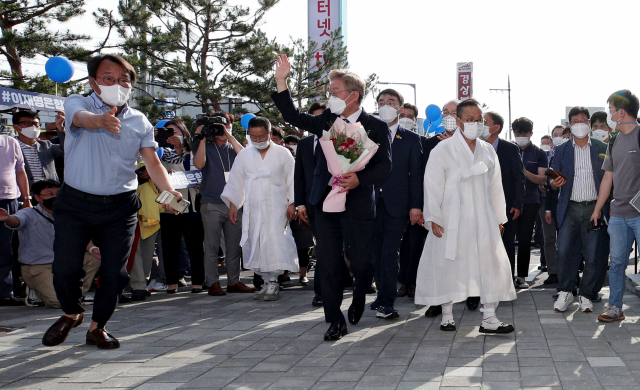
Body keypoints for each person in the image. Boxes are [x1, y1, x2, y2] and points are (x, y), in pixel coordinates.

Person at [42, 54, 182, 349]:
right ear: (93, 82)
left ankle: (97, 327)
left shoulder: (139, 121)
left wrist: (169, 193)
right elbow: (80, 119)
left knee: (115, 275)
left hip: (120, 206)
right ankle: (72, 312)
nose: (117, 84)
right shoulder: (76, 102)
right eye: (108, 78)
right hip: (76, 203)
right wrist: (101, 121)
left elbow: (153, 163)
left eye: (124, 80)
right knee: (65, 269)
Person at [272, 54, 392, 341]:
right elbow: (292, 116)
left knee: (361, 261)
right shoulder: (327, 120)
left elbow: (385, 166)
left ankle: (361, 294)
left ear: (353, 95)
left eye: (335, 91)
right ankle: (334, 319)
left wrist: (359, 178)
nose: (330, 96)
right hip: (325, 202)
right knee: (327, 261)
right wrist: (281, 80)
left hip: (359, 202)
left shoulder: (376, 126)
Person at [415, 98, 516, 333]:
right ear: (458, 121)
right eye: (470, 119)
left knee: (491, 262)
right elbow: (432, 184)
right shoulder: (443, 148)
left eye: (478, 120)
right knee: (447, 262)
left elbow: (495, 186)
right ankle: (447, 314)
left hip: (483, 215)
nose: (475, 123)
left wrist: (499, 218)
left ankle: (489, 316)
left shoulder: (488, 150)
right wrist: (433, 217)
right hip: (451, 215)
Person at [220, 116, 298, 301]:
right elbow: (236, 181)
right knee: (256, 241)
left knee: (274, 240)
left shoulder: (283, 153)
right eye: (254, 137)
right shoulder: (245, 154)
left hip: (276, 205)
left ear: (270, 134)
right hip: (253, 206)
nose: (258, 140)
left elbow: (293, 179)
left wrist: (292, 203)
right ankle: (265, 280)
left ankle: (273, 281)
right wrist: (233, 204)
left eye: (261, 136)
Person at [1, 179, 100, 308]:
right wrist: (8, 218)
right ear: (37, 197)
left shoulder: (68, 214)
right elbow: (17, 221)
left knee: (94, 257)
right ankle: (34, 289)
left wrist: (92, 249)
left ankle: (80, 292)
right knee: (60, 302)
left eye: (58, 193)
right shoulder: (29, 213)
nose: (55, 197)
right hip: (39, 267)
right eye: (49, 194)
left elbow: (80, 236)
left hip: (63, 263)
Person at [550, 106, 609, 313]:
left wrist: (602, 208)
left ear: (590, 124)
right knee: (564, 251)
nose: (580, 124)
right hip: (570, 209)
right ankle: (566, 291)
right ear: (570, 125)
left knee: (593, 254)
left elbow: (609, 179)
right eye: (575, 121)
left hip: (595, 208)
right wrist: (554, 184)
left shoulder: (602, 147)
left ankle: (586, 294)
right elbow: (552, 180)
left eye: (584, 120)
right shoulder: (561, 150)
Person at [369, 89, 422, 319]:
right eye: (381, 102)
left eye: (391, 102)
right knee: (375, 253)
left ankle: (387, 301)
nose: (385, 105)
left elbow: (416, 175)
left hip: (397, 205)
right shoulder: (365, 134)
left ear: (400, 109)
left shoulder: (410, 139)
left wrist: (416, 206)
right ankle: (381, 295)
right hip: (369, 203)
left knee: (390, 252)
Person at [592, 90, 640, 323]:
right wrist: (598, 208)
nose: (610, 114)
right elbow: (607, 178)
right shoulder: (614, 140)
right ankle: (615, 308)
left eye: (611, 110)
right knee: (618, 262)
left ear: (621, 112)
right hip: (619, 214)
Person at [194, 113, 254, 296]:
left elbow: (246, 159)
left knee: (234, 246)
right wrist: (203, 138)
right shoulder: (206, 146)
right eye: (217, 125)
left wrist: (229, 136)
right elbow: (198, 164)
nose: (221, 128)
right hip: (211, 202)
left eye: (225, 124)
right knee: (211, 245)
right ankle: (212, 282)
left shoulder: (234, 146)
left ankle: (234, 281)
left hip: (235, 203)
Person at [421, 99, 465, 318]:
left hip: (467, 210)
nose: (449, 116)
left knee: (467, 256)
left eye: (453, 112)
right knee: (439, 258)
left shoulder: (474, 144)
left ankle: (472, 295)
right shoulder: (430, 144)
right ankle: (438, 301)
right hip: (441, 210)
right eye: (445, 112)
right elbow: (426, 180)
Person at [482, 111, 526, 289]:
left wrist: (517, 204)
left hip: (506, 207)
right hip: (479, 205)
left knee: (506, 245)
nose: (480, 125)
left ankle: (505, 283)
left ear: (496, 127)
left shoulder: (510, 149)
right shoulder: (474, 147)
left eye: (485, 122)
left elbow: (519, 177)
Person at [513, 117, 548, 288]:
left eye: (524, 133)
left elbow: (542, 179)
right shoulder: (508, 150)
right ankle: (506, 276)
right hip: (509, 201)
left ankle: (521, 277)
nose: (520, 136)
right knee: (506, 240)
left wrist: (524, 172)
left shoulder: (539, 153)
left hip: (530, 202)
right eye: (517, 132)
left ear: (531, 133)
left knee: (525, 240)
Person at [397, 102, 425, 298]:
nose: (406, 118)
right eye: (403, 115)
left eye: (410, 116)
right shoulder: (390, 140)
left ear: (415, 120)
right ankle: (402, 282)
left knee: (415, 246)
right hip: (396, 202)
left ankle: (414, 282)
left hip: (418, 203)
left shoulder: (422, 141)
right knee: (400, 247)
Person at [0, 134, 31, 306]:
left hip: (8, 200)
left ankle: (5, 292)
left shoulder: (10, 142)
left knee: (6, 248)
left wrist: (26, 199)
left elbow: (20, 171)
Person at [12, 110, 65, 186]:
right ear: (16, 127)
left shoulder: (46, 145)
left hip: (49, 193)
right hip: (24, 194)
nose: (33, 127)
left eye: (36, 124)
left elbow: (67, 149)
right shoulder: (9, 147)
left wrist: (60, 127)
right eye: (28, 123)